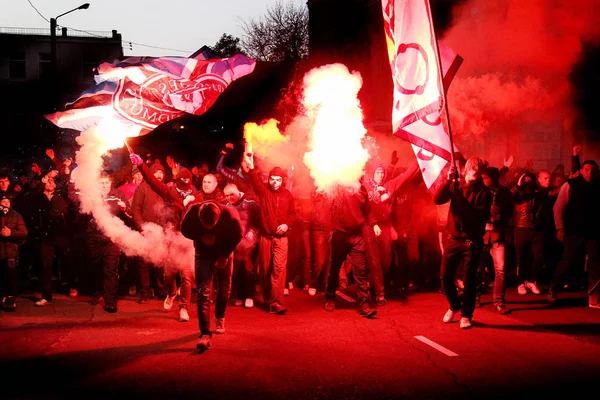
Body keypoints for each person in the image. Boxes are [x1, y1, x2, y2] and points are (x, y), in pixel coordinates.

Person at [434, 157, 491, 329]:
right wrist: (449, 180)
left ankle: (466, 315)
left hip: (472, 241)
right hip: (453, 238)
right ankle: (454, 306)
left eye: (479, 170)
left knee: (469, 279)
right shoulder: (456, 185)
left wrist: (462, 203)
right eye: (474, 169)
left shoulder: (484, 193)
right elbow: (437, 199)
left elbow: (478, 217)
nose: (476, 173)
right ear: (466, 169)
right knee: (445, 276)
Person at [181, 200, 243, 351]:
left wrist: (225, 255)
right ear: (200, 218)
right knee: (203, 291)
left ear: (218, 217)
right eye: (205, 224)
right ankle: (205, 334)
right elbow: (184, 230)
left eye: (212, 225)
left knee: (224, 288)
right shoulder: (193, 212)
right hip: (203, 252)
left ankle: (220, 316)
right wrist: (202, 234)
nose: (208, 227)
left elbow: (237, 236)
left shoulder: (230, 214)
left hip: (224, 249)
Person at [247, 156, 296, 314]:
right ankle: (269, 298)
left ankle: (276, 302)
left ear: (282, 180)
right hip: (265, 237)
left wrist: (287, 224)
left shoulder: (288, 195)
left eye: (278, 180)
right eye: (272, 179)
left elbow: (293, 214)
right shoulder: (264, 192)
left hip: (281, 239)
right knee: (265, 270)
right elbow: (254, 180)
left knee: (278, 270)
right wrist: (251, 167)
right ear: (269, 179)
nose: (275, 182)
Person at [550, 159, 600, 309]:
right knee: (568, 261)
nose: (589, 173)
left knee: (595, 264)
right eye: (586, 169)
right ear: (581, 170)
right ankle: (553, 287)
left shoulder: (599, 185)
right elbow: (558, 208)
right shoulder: (570, 184)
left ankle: (594, 297)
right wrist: (560, 228)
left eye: (592, 170)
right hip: (574, 231)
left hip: (594, 232)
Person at [324, 181, 377, 318]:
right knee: (335, 268)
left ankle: (364, 304)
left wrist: (374, 224)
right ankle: (330, 297)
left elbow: (368, 210)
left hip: (357, 235)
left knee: (360, 270)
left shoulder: (361, 189)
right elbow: (329, 205)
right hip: (340, 234)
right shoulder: (338, 186)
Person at [87, 171, 132, 313]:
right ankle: (97, 292)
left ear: (111, 183)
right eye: (102, 183)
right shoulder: (92, 195)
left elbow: (130, 214)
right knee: (94, 267)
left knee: (111, 270)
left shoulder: (118, 195)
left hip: (112, 238)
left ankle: (110, 302)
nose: (105, 185)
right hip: (95, 237)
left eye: (107, 183)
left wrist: (124, 208)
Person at [478, 167, 513, 314]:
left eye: (486, 177)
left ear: (493, 178)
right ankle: (475, 296)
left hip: (498, 235)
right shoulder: (479, 191)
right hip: (481, 236)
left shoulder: (504, 192)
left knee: (500, 269)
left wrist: (498, 215)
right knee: (476, 268)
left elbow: (509, 211)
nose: (484, 180)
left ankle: (499, 301)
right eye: (483, 177)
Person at [223, 183, 261, 309]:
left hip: (250, 242)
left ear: (237, 192)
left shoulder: (250, 202)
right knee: (235, 271)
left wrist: (253, 231)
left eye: (231, 195)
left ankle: (250, 296)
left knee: (248, 269)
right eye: (227, 196)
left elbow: (258, 219)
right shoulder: (227, 206)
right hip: (236, 243)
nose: (229, 198)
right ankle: (240, 295)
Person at [0, 195, 28, 311]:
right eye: (3, 202)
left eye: (7, 202)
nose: (6, 204)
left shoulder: (16, 216)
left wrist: (10, 233)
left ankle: (11, 298)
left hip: (11, 252)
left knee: (11, 276)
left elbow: (24, 232)